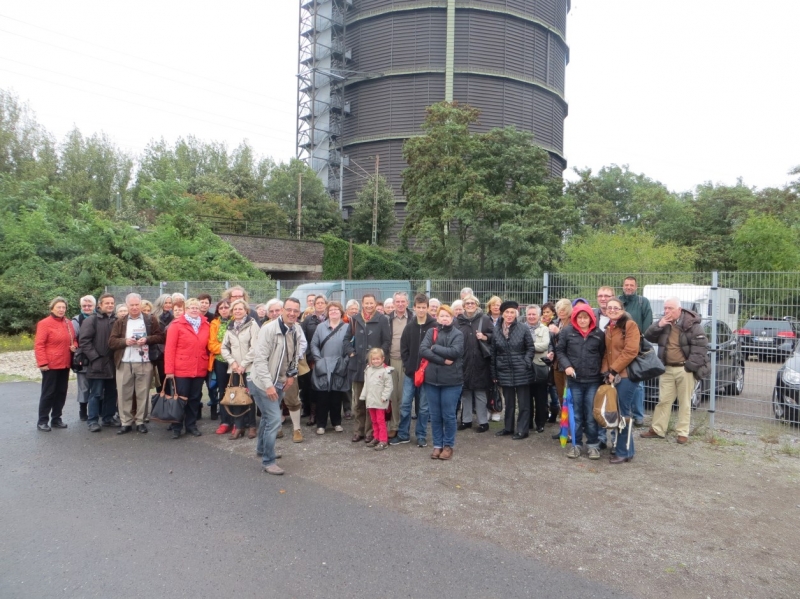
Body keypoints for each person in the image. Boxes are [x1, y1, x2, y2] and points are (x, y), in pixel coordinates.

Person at [641, 297, 710, 445]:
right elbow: (648, 337)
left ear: (679, 310)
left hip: (684, 369)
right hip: (666, 368)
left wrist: (690, 366)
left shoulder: (692, 324)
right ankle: (657, 429)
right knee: (663, 400)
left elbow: (701, 347)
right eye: (665, 308)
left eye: (670, 308)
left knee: (685, 402)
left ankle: (682, 432)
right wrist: (658, 325)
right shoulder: (664, 323)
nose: (666, 311)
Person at [251, 297, 304, 475]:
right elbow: (259, 360)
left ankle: (262, 449)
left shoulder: (296, 329)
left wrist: (291, 375)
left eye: (296, 311)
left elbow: (295, 355)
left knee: (267, 417)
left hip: (280, 381)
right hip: (262, 382)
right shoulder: (268, 329)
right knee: (274, 421)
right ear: (282, 310)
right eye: (288, 309)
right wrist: (268, 385)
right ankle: (268, 461)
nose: (292, 313)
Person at [555, 304, 606, 459]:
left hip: (593, 380)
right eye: (580, 317)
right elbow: (560, 351)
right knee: (575, 415)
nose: (583, 320)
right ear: (575, 318)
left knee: (591, 415)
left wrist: (602, 373)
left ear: (591, 318)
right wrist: (567, 366)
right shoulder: (567, 332)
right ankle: (576, 445)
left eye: (586, 317)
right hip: (574, 380)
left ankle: (593, 446)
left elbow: (602, 354)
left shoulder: (599, 334)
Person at [108, 293, 164, 434]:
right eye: (131, 305)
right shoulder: (120, 322)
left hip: (144, 362)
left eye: (136, 304)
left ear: (141, 304)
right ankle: (125, 422)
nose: (134, 307)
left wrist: (147, 339)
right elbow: (111, 342)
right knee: (123, 393)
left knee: (142, 393)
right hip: (125, 362)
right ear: (127, 306)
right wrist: (125, 341)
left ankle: (140, 421)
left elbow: (160, 337)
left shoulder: (150, 319)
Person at [420, 304, 464, 460]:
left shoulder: (458, 334)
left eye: (447, 316)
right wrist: (442, 360)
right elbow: (423, 350)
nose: (444, 318)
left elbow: (455, 352)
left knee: (449, 415)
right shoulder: (431, 332)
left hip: (452, 381)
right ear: (437, 317)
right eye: (441, 316)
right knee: (435, 415)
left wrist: (435, 347)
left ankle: (448, 446)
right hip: (432, 380)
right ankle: (437, 445)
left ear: (452, 318)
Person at [391, 294, 436, 447]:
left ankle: (421, 435)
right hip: (410, 373)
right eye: (419, 307)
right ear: (414, 308)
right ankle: (403, 434)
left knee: (423, 407)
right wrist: (408, 364)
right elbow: (404, 347)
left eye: (424, 307)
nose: (422, 310)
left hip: (427, 373)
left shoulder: (434, 326)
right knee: (405, 404)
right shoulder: (409, 326)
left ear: (428, 308)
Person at [600, 297, 641, 463]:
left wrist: (614, 370)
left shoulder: (630, 325)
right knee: (618, 413)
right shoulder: (609, 328)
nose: (612, 310)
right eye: (609, 308)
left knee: (623, 414)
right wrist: (605, 372)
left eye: (616, 308)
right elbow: (607, 353)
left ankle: (623, 451)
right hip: (613, 376)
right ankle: (626, 450)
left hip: (626, 376)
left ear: (622, 310)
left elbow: (631, 351)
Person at [164, 298, 210, 439]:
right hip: (181, 368)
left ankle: (191, 425)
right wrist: (169, 371)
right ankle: (177, 426)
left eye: (197, 307)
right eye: (191, 307)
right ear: (186, 309)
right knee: (180, 398)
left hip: (199, 367)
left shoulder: (206, 325)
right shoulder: (176, 325)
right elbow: (170, 349)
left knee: (195, 398)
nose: (194, 309)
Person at [349, 294, 391, 443]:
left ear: (375, 303)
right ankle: (358, 431)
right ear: (362, 303)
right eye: (366, 303)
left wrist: (379, 357)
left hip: (375, 369)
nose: (368, 306)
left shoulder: (382, 319)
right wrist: (350, 351)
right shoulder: (355, 319)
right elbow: (346, 340)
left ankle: (370, 432)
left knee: (372, 402)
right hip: (358, 366)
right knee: (358, 402)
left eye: (371, 303)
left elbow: (387, 341)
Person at [492, 301, 534, 440]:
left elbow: (530, 348)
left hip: (522, 370)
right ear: (502, 314)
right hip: (504, 370)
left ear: (516, 313)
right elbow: (493, 353)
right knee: (509, 402)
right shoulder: (496, 329)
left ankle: (522, 430)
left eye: (512, 312)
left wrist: (526, 362)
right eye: (507, 312)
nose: (509, 315)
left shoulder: (523, 328)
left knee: (523, 403)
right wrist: (494, 373)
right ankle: (508, 428)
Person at [35, 297, 77, 431]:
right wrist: (42, 362)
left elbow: (74, 340)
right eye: (58, 307)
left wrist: (74, 346)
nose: (61, 310)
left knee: (61, 392)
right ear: (52, 308)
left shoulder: (68, 323)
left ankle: (56, 418)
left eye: (63, 307)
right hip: (50, 365)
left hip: (65, 363)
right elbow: (39, 345)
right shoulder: (44, 323)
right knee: (48, 393)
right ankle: (42, 420)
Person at [309, 301, 353, 434]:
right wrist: (318, 360)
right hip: (324, 364)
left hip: (339, 364)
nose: (334, 312)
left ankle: (336, 422)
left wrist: (345, 361)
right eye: (331, 310)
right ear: (327, 312)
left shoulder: (347, 327)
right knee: (322, 396)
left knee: (336, 395)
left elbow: (350, 345)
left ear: (341, 312)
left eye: (336, 309)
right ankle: (321, 424)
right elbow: (314, 344)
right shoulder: (321, 327)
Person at [221, 299, 260, 440]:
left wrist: (243, 364)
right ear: (232, 312)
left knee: (249, 397)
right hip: (235, 369)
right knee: (236, 397)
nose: (237, 311)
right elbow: (224, 348)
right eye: (235, 309)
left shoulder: (253, 325)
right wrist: (233, 363)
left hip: (249, 368)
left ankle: (252, 426)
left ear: (246, 310)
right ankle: (238, 427)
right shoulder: (230, 327)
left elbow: (255, 347)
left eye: (240, 309)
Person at [454, 294, 493, 433]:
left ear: (477, 305)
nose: (470, 305)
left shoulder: (485, 319)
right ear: (463, 306)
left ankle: (483, 422)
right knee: (465, 392)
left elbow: (494, 336)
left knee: (480, 393)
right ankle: (466, 420)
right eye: (467, 303)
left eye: (472, 303)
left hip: (480, 362)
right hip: (463, 362)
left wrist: (484, 337)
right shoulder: (458, 321)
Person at [80, 293, 119, 432]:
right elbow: (84, 341)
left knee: (111, 392)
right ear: (100, 305)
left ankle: (108, 418)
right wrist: (95, 358)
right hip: (97, 363)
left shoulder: (117, 320)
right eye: (106, 303)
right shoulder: (92, 320)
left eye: (111, 303)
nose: (109, 305)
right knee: (95, 393)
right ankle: (93, 420)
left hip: (113, 363)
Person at [619, 276, 654, 427]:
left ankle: (639, 415)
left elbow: (648, 324)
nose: (629, 287)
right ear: (622, 286)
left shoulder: (643, 302)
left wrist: (638, 341)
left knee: (638, 383)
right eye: (626, 285)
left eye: (631, 285)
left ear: (636, 287)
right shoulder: (618, 301)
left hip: (636, 348)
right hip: (618, 348)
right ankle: (620, 413)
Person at [386, 291, 412, 438]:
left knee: (405, 397)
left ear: (407, 303)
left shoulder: (413, 318)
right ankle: (395, 425)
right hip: (392, 360)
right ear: (394, 303)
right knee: (393, 396)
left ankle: (404, 427)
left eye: (403, 301)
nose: (400, 304)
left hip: (408, 362)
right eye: (398, 302)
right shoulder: (387, 319)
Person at [300, 295, 327, 426]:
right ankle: (312, 414)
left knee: (326, 387)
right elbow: (303, 339)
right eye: (318, 303)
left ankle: (325, 414)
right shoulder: (308, 320)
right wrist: (310, 356)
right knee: (312, 387)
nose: (320, 305)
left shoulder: (330, 319)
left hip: (328, 358)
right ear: (314, 305)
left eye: (322, 303)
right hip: (311, 359)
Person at [208, 300, 233, 431]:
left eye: (226, 307)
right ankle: (225, 421)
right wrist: (226, 349)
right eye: (221, 308)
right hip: (220, 361)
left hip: (235, 362)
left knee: (236, 390)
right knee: (222, 390)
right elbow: (211, 345)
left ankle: (237, 421)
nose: (224, 310)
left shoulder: (236, 321)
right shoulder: (214, 323)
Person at [525, 304, 551, 434]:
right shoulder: (521, 328)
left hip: (540, 367)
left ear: (539, 316)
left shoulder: (544, 329)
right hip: (525, 368)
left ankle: (540, 423)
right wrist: (534, 346)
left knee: (541, 398)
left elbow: (544, 346)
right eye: (529, 314)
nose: (531, 316)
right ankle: (527, 422)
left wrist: (527, 346)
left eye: (533, 314)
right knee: (526, 397)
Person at [361, 348, 393, 450]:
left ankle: (383, 440)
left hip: (380, 400)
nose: (375, 361)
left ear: (383, 359)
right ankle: (376, 437)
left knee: (380, 420)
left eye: (377, 359)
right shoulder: (368, 370)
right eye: (373, 359)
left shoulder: (385, 371)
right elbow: (366, 384)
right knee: (373, 420)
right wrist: (364, 395)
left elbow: (389, 386)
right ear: (370, 360)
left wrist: (384, 397)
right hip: (371, 400)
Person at [72, 295, 96, 421]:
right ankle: (83, 410)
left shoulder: (100, 318)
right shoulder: (76, 320)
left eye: (89, 305)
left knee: (98, 385)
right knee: (84, 386)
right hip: (83, 357)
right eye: (84, 306)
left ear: (95, 306)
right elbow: (72, 338)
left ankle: (98, 410)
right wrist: (75, 346)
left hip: (98, 357)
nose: (87, 308)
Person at [540, 301, 561, 423]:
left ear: (553, 312)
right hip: (542, 360)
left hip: (553, 361)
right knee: (544, 389)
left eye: (548, 312)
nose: (546, 314)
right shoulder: (540, 324)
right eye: (544, 312)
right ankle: (545, 412)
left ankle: (554, 412)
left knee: (553, 389)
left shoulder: (555, 325)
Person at [485, 295, 503, 421]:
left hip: (501, 355)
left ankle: (497, 409)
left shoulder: (506, 319)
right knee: (487, 384)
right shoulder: (484, 319)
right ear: (489, 307)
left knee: (499, 384)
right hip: (487, 355)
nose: (496, 307)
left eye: (498, 305)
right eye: (494, 305)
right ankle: (487, 408)